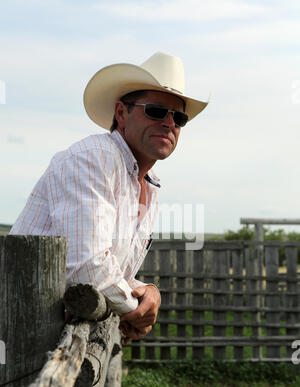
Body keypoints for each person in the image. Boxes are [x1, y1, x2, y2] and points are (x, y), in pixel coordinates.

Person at [10, 51, 209, 344]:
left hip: (46, 334)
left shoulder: (148, 184)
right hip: (17, 326)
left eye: (179, 117)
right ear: (121, 113)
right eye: (155, 110)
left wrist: (147, 291)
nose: (169, 123)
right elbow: (86, 267)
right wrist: (136, 312)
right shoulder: (95, 158)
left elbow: (110, 269)